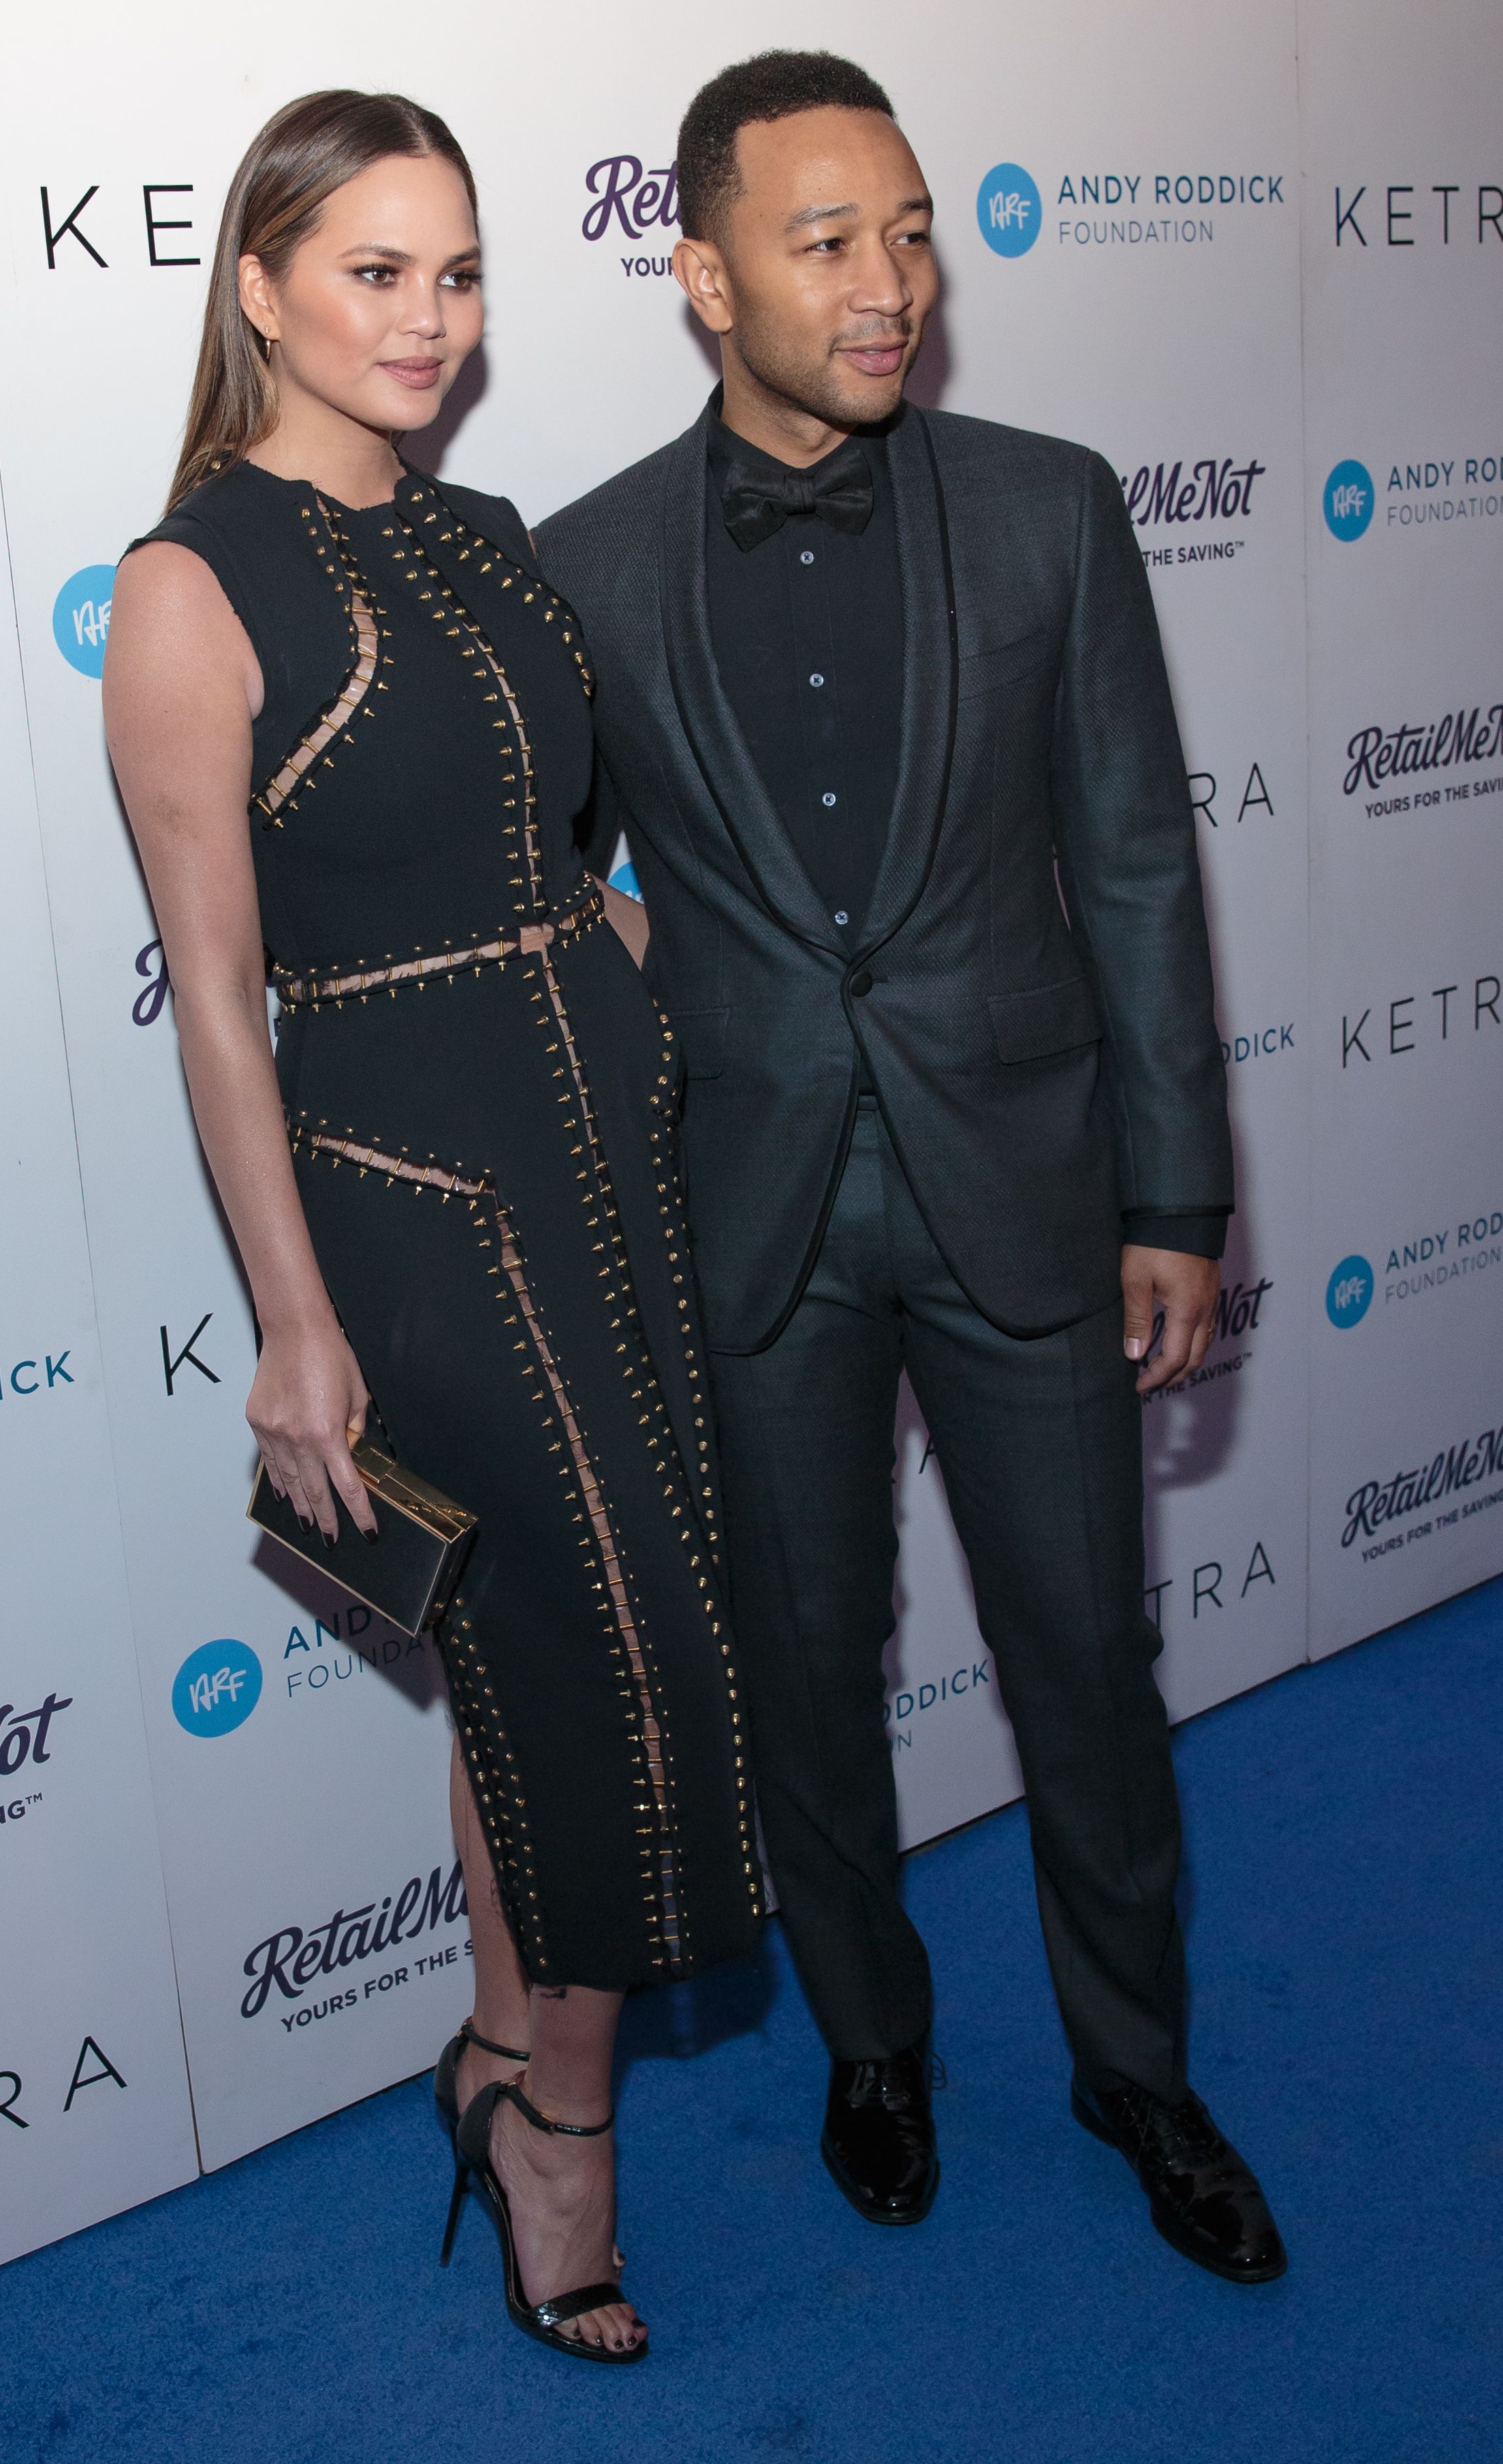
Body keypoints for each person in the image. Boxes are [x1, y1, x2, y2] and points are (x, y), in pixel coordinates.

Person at [538, 50, 1285, 2282]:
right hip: (748, 1215)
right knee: (800, 1670)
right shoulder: (582, 567)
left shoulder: (1052, 509)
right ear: (703, 278)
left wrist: (1174, 1194)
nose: (889, 285)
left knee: (1084, 1661)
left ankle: (1136, 2069)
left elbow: (1133, 864)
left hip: (1028, 1187)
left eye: (910, 232)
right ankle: (874, 2041)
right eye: (825, 243)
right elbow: (529, 885)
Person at [104, 89, 761, 2363]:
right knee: (618, 1662)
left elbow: (556, 869)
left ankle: (495, 2049)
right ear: (260, 284)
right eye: (374, 270)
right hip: (413, 1190)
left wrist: (699, 988)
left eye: (457, 271)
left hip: (603, 1144)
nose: (428, 318)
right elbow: (217, 995)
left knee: (522, 1652)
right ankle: (558, 2136)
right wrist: (291, 1321)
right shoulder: (190, 584)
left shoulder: (485, 538)